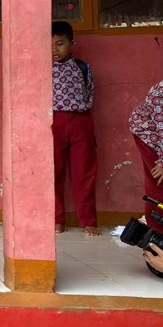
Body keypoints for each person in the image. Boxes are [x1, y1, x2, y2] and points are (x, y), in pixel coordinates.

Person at [51, 21, 99, 236]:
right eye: (50, 45)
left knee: (84, 173)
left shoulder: (83, 68)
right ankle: (57, 219)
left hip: (81, 121)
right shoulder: (42, 69)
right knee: (54, 172)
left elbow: (89, 92)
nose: (54, 49)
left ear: (72, 44)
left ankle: (88, 221)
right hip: (53, 122)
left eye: (60, 43)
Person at [129, 80, 163, 234]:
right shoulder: (160, 92)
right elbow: (161, 128)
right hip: (150, 136)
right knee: (159, 183)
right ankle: (156, 233)